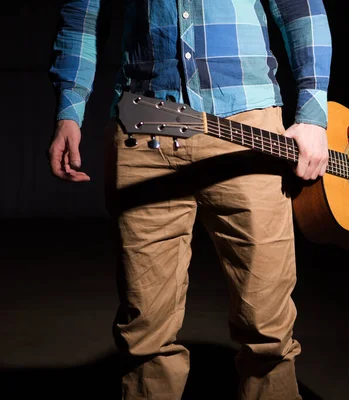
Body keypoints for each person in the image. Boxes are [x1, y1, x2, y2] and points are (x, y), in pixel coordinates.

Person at [47, 0, 332, 398]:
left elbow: (300, 9)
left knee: (268, 327)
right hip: (144, 130)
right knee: (144, 332)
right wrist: (69, 112)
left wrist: (313, 113)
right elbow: (82, 16)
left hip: (248, 127)